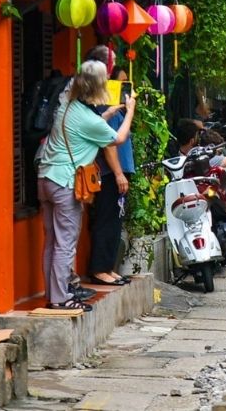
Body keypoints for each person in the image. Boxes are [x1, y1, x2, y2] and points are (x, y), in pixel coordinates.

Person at [37, 61, 135, 310]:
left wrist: (109, 114)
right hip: (65, 183)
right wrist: (130, 110)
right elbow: (118, 138)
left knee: (51, 241)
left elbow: (85, 126)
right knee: (65, 243)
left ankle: (53, 293)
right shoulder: (87, 119)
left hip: (46, 178)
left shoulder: (66, 105)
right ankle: (60, 300)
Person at [88, 66, 134, 286]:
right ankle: (99, 268)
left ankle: (108, 267)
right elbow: (109, 144)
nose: (126, 88)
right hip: (110, 173)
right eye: (121, 83)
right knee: (107, 220)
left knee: (116, 220)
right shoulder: (107, 108)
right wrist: (118, 173)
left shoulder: (117, 109)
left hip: (119, 172)